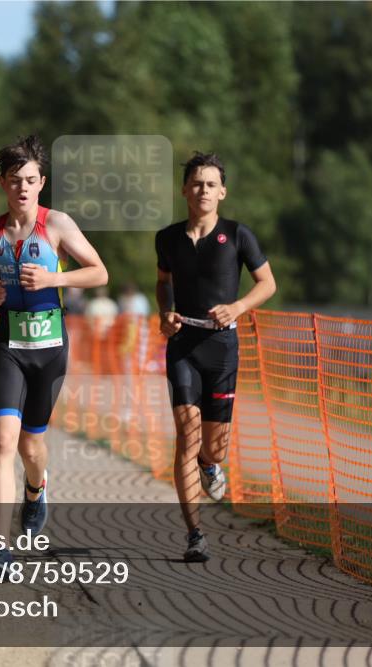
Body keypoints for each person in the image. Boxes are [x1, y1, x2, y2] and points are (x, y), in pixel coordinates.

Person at [0, 135, 108, 571]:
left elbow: (99, 273)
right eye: (13, 180)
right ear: (3, 185)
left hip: (49, 349)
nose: (22, 188)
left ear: (41, 183)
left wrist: (52, 281)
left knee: (31, 446)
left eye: (29, 180)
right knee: (2, 442)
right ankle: (0, 548)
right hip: (8, 346)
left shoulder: (58, 224)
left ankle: (36, 485)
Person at [155, 151, 276, 562]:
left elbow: (267, 284)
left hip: (222, 348)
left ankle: (210, 463)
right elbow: (163, 283)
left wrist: (237, 308)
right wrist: (165, 313)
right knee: (185, 437)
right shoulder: (167, 238)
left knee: (214, 448)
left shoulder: (238, 235)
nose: (203, 190)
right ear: (184, 190)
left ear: (221, 192)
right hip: (183, 346)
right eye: (196, 183)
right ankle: (195, 534)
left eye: (211, 184)